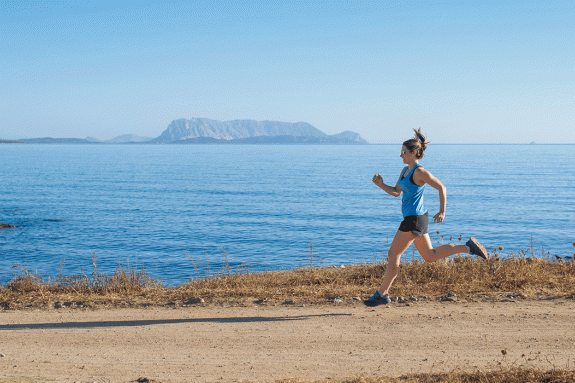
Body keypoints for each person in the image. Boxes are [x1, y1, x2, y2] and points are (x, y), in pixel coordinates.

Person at [364, 128, 489, 307]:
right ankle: (468, 247)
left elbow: (441, 188)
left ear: (414, 152)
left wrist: (442, 211)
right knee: (430, 256)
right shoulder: (404, 171)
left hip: (414, 219)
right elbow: (396, 192)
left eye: (403, 152)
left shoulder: (419, 172)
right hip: (417, 218)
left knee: (393, 254)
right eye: (400, 152)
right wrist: (381, 184)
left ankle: (382, 294)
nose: (401, 155)